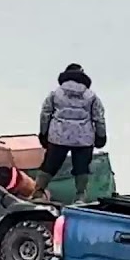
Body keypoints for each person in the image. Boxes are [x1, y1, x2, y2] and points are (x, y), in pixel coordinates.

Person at [37, 63, 107, 202]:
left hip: (58, 136)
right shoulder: (91, 96)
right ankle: (80, 196)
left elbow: (45, 114)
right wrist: (101, 136)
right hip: (83, 138)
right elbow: (99, 118)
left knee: (49, 165)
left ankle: (38, 192)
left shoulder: (55, 94)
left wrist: (43, 133)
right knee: (81, 168)